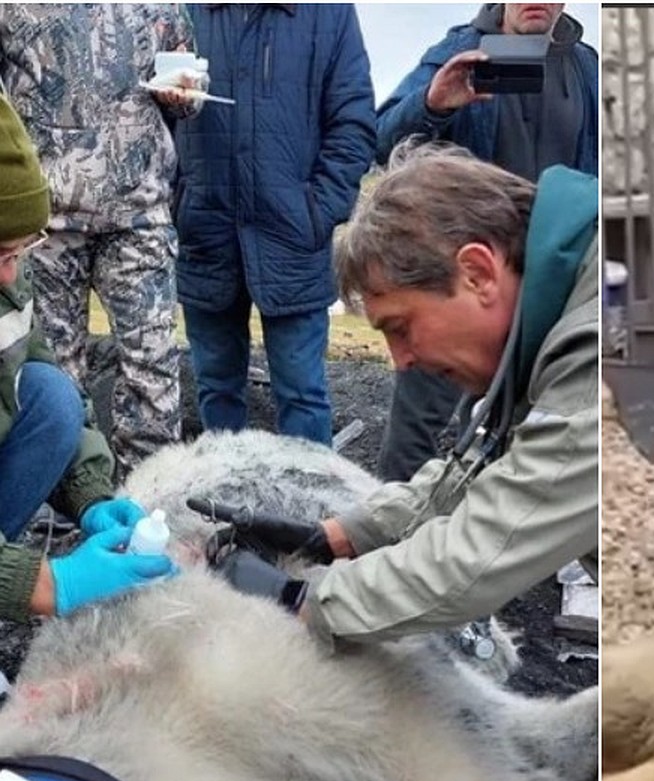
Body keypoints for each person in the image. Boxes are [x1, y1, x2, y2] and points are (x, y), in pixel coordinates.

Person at [212, 143, 598, 649]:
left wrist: (300, 602)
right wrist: (340, 535)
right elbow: (485, 471)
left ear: (478, 273)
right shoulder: (560, 311)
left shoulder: (605, 340)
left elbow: (483, 548)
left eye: (401, 326)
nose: (400, 360)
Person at [373, 2, 599, 482]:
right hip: (458, 283)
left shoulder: (585, 67)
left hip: (551, 291)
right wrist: (432, 105)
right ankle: (390, 546)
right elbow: (382, 138)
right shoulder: (462, 51)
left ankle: (511, 549)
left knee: (535, 440)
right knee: (416, 435)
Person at [0, 4, 203, 473]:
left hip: (140, 216)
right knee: (51, 376)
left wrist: (183, 93)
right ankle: (54, 514)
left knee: (152, 374)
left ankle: (147, 508)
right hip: (44, 228)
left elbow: (189, 88)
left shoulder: (166, 4)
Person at [0, 97, 177, 629]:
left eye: (16, 252)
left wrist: (91, 495)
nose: (10, 276)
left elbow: (36, 369)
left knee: (50, 396)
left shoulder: (6, 283)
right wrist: (47, 583)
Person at [173, 4, 375, 447]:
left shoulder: (329, 14)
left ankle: (312, 514)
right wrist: (179, 199)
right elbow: (154, 116)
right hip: (205, 233)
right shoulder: (186, 9)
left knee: (303, 397)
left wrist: (316, 210)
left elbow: (354, 123)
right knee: (217, 394)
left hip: (293, 239)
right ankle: (219, 511)